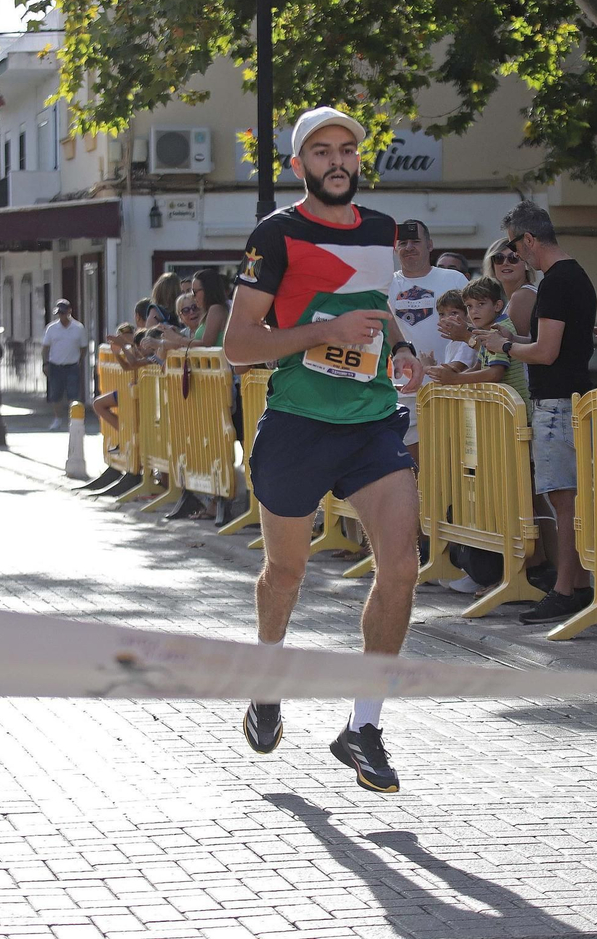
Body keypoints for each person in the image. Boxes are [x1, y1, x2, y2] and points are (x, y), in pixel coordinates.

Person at [222, 106, 423, 793]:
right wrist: (320, 332)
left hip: (370, 422)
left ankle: (363, 726)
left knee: (402, 566)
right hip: (298, 422)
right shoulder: (275, 236)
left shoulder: (380, 230)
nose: (337, 161)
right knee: (286, 575)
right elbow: (239, 347)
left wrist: (401, 346)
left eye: (347, 150)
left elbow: (379, 301)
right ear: (298, 163)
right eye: (321, 151)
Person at [470, 199, 595, 626]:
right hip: (563, 399)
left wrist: (502, 345)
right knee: (564, 499)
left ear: (528, 240)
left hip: (559, 401)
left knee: (563, 499)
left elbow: (545, 351)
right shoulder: (568, 276)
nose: (511, 256)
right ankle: (574, 584)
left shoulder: (558, 281)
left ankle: (566, 588)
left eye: (512, 246)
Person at [390, 219, 463, 457]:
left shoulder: (454, 280)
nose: (409, 247)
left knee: (447, 464)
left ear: (430, 245)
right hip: (400, 392)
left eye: (415, 241)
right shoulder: (384, 285)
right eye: (403, 242)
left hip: (448, 390)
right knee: (410, 469)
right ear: (395, 248)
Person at [42, 299, 88, 431]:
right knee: (56, 394)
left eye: (63, 313)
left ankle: (73, 419)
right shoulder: (52, 328)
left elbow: (83, 347)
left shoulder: (78, 328)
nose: (61, 316)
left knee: (73, 394)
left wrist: (79, 360)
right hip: (55, 365)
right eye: (59, 313)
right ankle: (57, 419)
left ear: (69, 312)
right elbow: (45, 347)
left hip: (72, 365)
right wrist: (45, 363)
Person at [480, 238, 539, 337]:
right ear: (492, 265)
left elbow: (512, 348)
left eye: (513, 258)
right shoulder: (516, 296)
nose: (505, 263)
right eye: (498, 258)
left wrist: (467, 338)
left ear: (526, 264)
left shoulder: (522, 296)